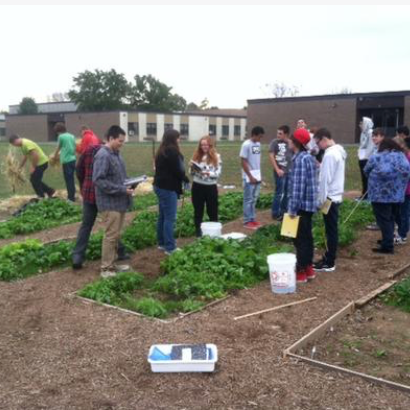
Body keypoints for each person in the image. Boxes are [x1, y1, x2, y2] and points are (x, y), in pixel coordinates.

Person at [72, 140, 129, 270]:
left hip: (90, 193)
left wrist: (83, 184)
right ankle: (120, 252)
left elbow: (79, 170)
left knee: (88, 225)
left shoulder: (90, 151)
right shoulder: (107, 154)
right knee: (112, 227)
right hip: (105, 196)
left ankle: (78, 256)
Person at [93, 125, 134, 277]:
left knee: (116, 234)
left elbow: (119, 177)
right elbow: (99, 180)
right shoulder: (103, 155)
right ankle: (106, 268)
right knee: (111, 235)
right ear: (110, 138)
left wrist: (130, 183)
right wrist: (122, 189)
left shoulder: (116, 154)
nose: (121, 144)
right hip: (109, 203)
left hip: (119, 201)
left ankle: (113, 264)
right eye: (120, 141)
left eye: (123, 141)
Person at [364, 139, 410, 254]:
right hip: (397, 195)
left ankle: (388, 246)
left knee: (384, 220)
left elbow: (366, 170)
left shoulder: (377, 157)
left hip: (380, 195)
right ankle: (387, 240)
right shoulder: (402, 157)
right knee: (391, 218)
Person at [313, 128, 347, 272]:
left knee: (330, 230)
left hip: (329, 198)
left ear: (324, 139)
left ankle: (329, 262)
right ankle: (328, 257)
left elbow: (324, 180)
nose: (318, 146)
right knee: (331, 229)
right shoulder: (339, 151)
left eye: (317, 142)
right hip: (335, 195)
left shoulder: (329, 155)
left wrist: (320, 201)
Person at [287, 128, 318, 283]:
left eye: (291, 140)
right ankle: (308, 268)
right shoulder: (309, 157)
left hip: (300, 205)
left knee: (300, 240)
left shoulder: (300, 160)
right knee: (307, 237)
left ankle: (300, 270)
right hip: (309, 204)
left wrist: (292, 209)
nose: (289, 142)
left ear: (296, 143)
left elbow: (298, 187)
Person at [154, 129, 189, 254]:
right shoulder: (172, 152)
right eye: (178, 138)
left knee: (163, 216)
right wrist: (185, 179)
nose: (179, 140)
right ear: (173, 139)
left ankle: (162, 243)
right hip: (168, 188)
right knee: (170, 217)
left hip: (159, 186)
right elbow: (178, 170)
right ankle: (170, 247)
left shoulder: (161, 150)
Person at [190, 136, 222, 237]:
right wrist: (192, 169)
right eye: (202, 145)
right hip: (197, 186)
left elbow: (218, 172)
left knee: (212, 210)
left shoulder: (216, 156)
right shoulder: (196, 156)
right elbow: (191, 173)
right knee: (198, 210)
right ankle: (198, 232)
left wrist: (209, 174)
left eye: (206, 145)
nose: (204, 147)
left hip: (210, 187)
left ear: (210, 145)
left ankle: (214, 232)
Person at [240, 126, 264, 230]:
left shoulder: (258, 144)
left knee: (254, 199)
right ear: (254, 135)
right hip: (249, 176)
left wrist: (259, 175)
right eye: (259, 136)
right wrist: (249, 176)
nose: (260, 139)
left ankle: (252, 218)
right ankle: (246, 221)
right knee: (248, 199)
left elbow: (257, 160)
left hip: (257, 175)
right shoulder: (246, 145)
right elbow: (243, 161)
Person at [268, 125, 292, 220]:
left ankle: (283, 212)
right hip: (280, 172)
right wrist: (277, 169)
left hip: (289, 171)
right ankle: (275, 213)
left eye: (280, 133)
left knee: (287, 193)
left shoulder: (291, 143)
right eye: (277, 133)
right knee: (279, 193)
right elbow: (271, 155)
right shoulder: (275, 142)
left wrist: (290, 142)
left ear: (286, 134)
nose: (278, 135)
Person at [51, 122, 77, 202]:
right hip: (73, 159)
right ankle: (73, 195)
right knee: (71, 179)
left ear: (58, 131)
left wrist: (54, 156)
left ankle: (70, 199)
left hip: (66, 161)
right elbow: (71, 147)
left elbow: (58, 148)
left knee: (68, 180)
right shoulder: (72, 136)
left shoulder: (61, 136)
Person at [394, 136, 410, 245]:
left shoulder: (407, 157)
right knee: (399, 212)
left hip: (406, 189)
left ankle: (403, 235)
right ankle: (401, 231)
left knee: (404, 213)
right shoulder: (402, 156)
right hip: (399, 189)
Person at [357, 117, 375, 200]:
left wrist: (365, 157)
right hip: (362, 158)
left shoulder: (370, 133)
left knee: (367, 178)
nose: (360, 125)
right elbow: (362, 145)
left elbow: (370, 147)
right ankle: (364, 194)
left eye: (361, 123)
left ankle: (367, 195)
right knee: (363, 178)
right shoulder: (363, 133)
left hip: (367, 159)